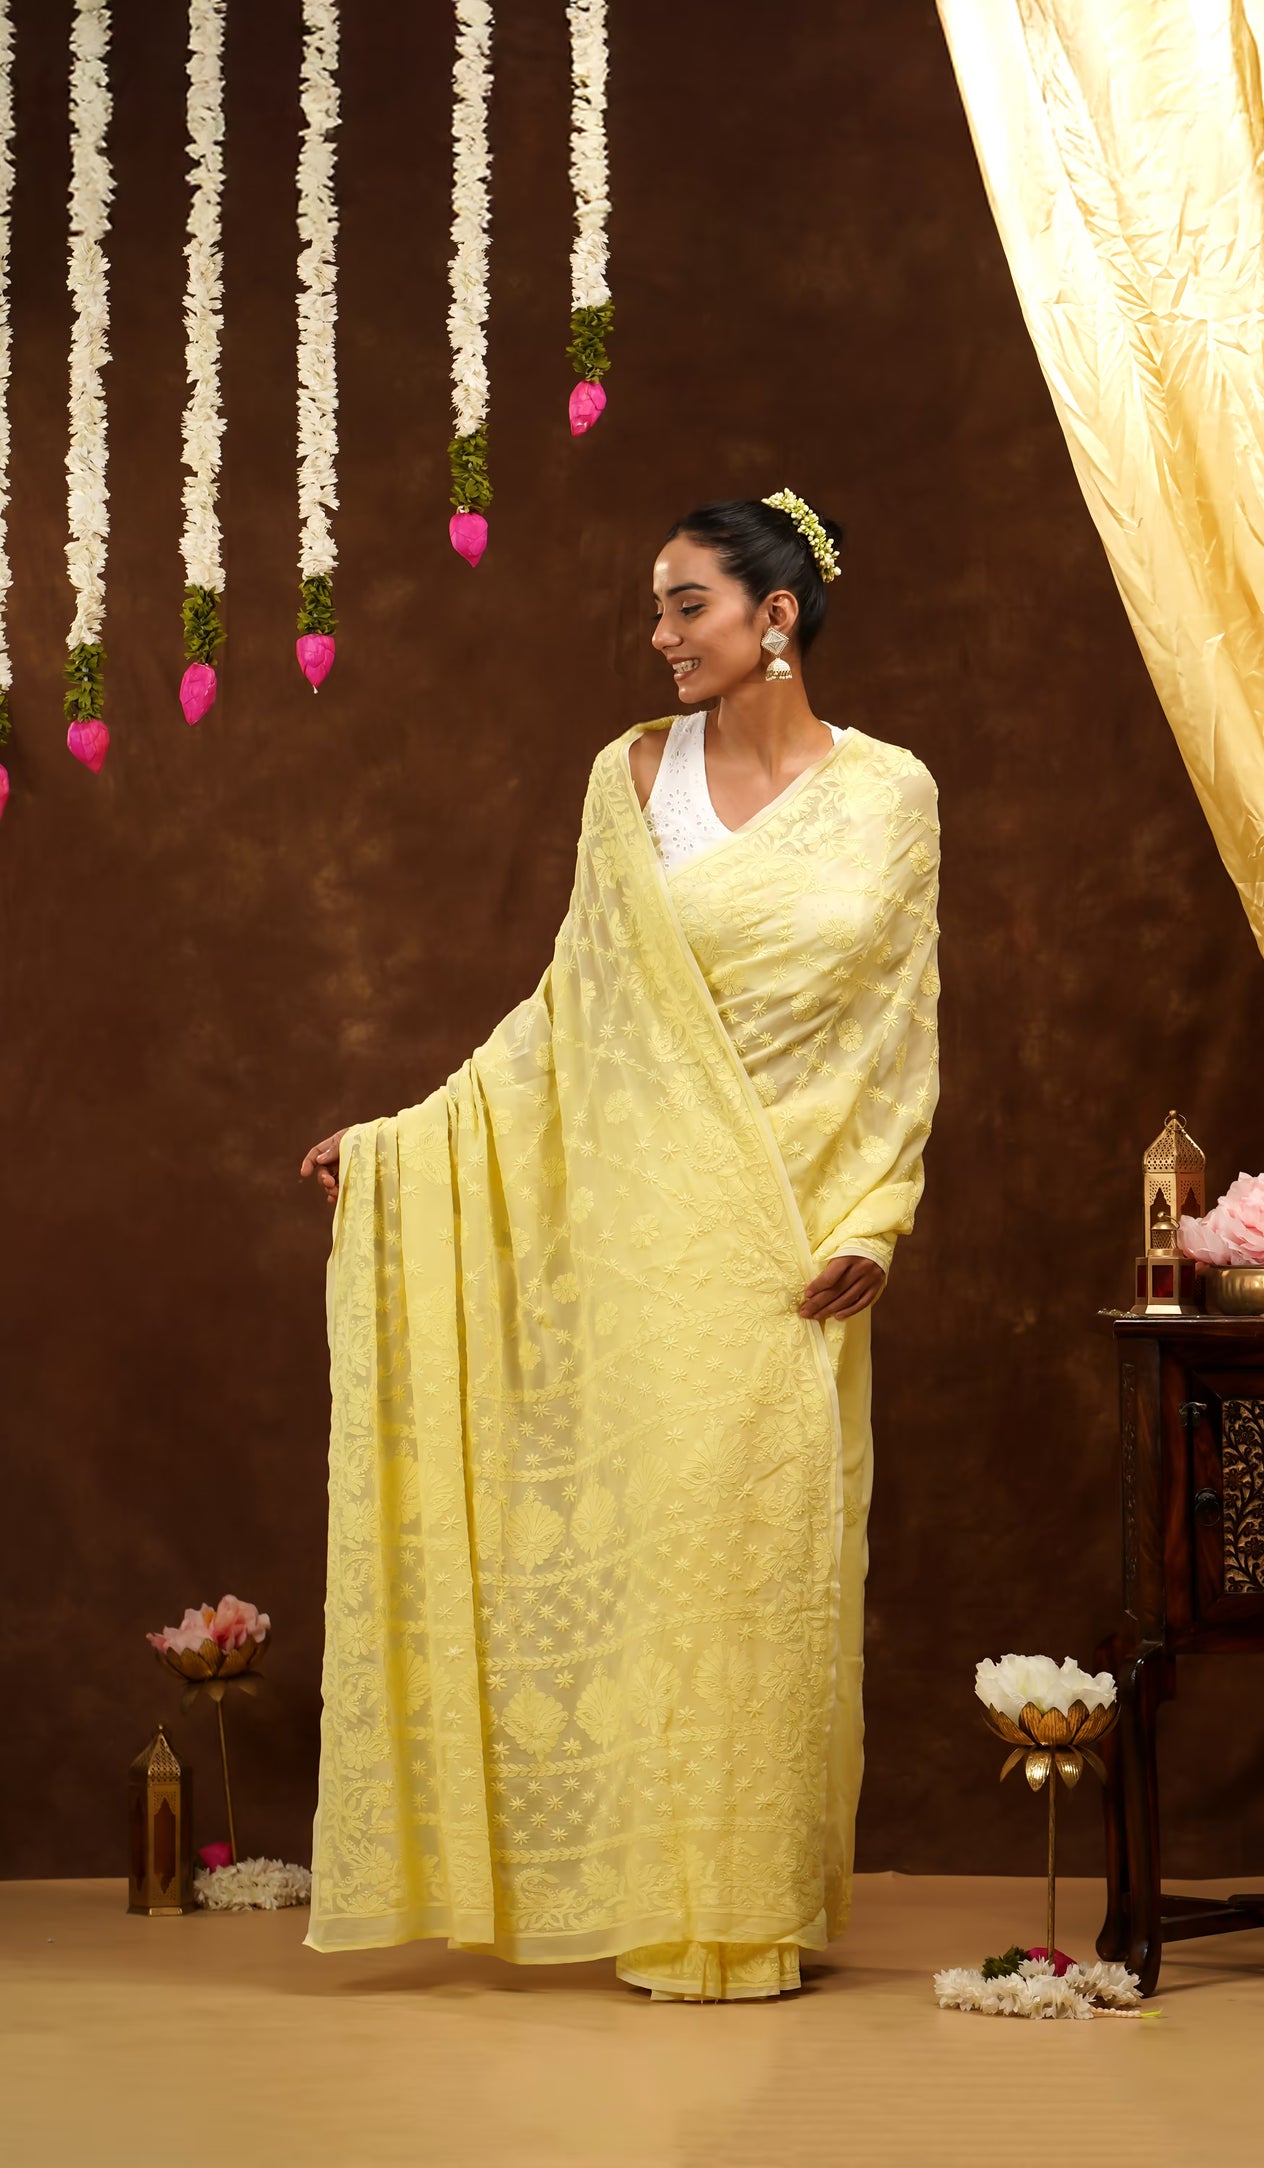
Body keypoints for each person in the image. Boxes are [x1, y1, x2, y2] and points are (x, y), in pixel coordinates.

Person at [299, 489, 941, 2000]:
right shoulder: (629, 778)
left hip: (785, 1235)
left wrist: (876, 1217)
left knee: (760, 1565)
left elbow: (898, 1027)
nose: (658, 637)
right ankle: (665, 1905)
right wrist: (406, 1141)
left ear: (776, 615)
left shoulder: (891, 793)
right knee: (666, 1567)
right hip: (651, 1229)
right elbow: (569, 1014)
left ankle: (751, 1911)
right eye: (656, 609)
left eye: (687, 606)